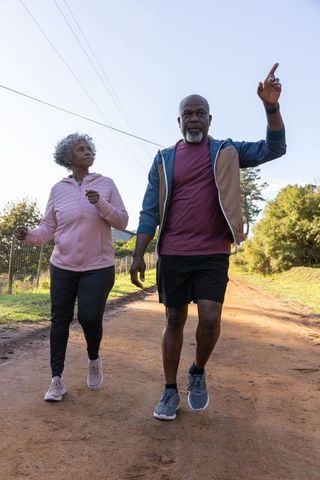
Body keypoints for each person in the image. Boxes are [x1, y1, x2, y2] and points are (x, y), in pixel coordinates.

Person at [130, 64, 286, 420]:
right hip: (173, 253)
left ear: (210, 120)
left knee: (211, 319)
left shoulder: (228, 151)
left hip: (213, 252)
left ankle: (197, 370)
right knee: (173, 320)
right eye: (188, 113)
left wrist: (271, 107)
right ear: (179, 120)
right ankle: (169, 391)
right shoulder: (164, 159)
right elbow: (149, 210)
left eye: (200, 113)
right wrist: (139, 254)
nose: (194, 119)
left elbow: (275, 148)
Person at [16, 133, 128, 401]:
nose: (88, 151)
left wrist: (99, 202)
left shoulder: (106, 184)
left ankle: (93, 357)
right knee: (59, 320)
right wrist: (29, 234)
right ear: (68, 158)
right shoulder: (58, 189)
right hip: (63, 264)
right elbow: (48, 228)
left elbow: (122, 221)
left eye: (89, 147)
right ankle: (56, 379)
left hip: (98, 266)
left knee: (89, 317)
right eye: (81, 148)